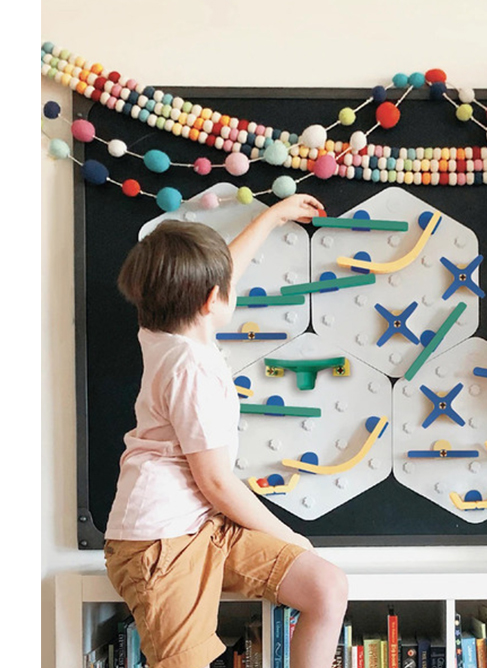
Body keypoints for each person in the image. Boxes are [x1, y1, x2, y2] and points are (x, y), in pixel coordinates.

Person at [104, 194, 348, 668]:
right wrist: (290, 537)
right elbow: (215, 481)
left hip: (204, 525)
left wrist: (272, 218)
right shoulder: (191, 367)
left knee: (326, 586)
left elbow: (218, 274)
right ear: (210, 300)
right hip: (160, 542)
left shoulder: (163, 329)